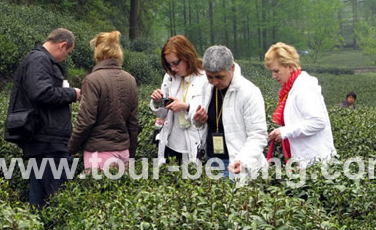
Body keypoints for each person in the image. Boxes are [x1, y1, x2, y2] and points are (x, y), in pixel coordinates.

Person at [6, 28, 81, 208]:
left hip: (43, 141)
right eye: (68, 53)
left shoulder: (38, 60)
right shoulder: (40, 60)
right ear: (62, 46)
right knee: (59, 201)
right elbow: (41, 93)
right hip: (48, 141)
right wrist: (72, 94)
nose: (66, 57)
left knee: (38, 201)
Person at [193, 45, 268, 184]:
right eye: (210, 77)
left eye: (219, 77)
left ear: (232, 68)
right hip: (211, 160)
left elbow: (258, 135)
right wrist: (198, 120)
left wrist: (243, 160)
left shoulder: (249, 92)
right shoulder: (206, 86)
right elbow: (201, 121)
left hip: (235, 163)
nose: (214, 82)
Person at [67, 31, 138, 174]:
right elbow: (133, 122)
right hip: (123, 152)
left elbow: (86, 120)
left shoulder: (93, 80)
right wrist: (131, 153)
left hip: (99, 152)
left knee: (96, 195)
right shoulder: (130, 80)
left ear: (97, 51)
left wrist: (71, 148)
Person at [265, 42, 336, 168]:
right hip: (306, 161)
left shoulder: (303, 87)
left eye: (276, 71)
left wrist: (285, 131)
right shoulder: (292, 89)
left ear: (290, 67)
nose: (273, 76)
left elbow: (318, 122)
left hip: (315, 163)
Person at [150, 35, 208, 165]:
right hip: (169, 145)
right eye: (169, 64)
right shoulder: (169, 78)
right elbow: (162, 115)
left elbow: (207, 112)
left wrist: (186, 107)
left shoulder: (204, 78)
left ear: (187, 56)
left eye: (175, 63)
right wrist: (158, 102)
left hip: (192, 147)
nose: (173, 68)